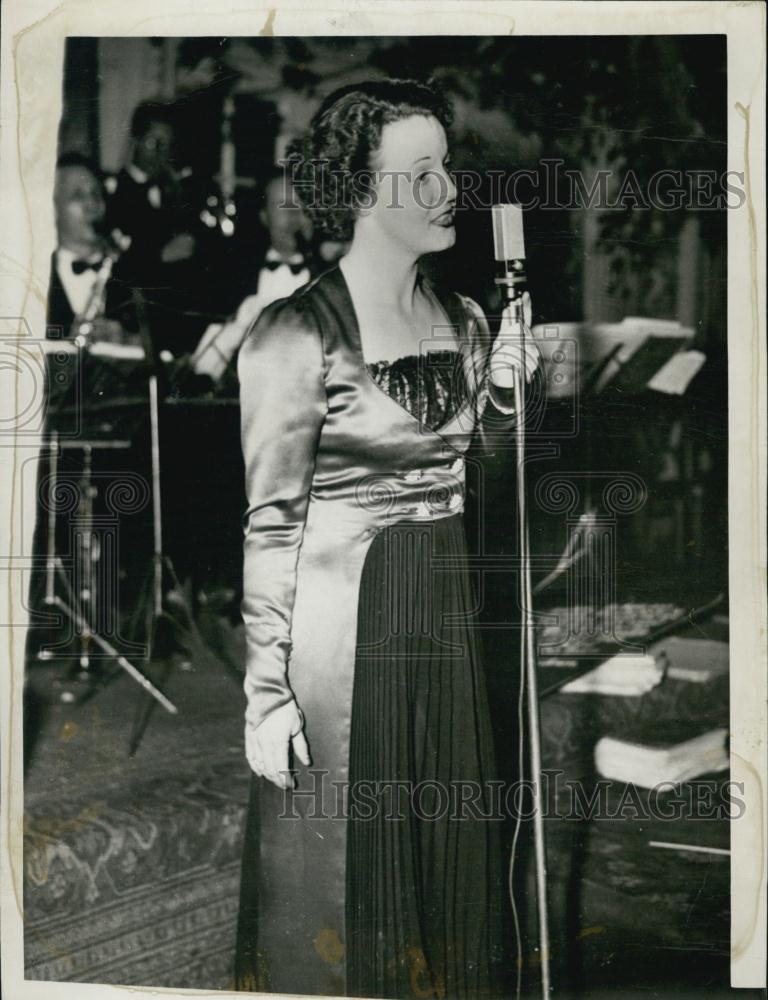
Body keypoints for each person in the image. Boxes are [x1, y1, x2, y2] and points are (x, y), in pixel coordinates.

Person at [234, 79, 539, 999]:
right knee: (347, 871)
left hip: (440, 604)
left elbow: (470, 470)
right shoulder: (293, 334)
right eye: (420, 173)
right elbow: (270, 518)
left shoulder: (470, 319)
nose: (448, 188)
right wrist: (264, 692)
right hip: (343, 624)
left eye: (446, 166)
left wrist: (501, 400)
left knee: (442, 843)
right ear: (362, 192)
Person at [190, 168, 315, 383]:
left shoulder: (335, 279)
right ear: (264, 216)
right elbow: (203, 369)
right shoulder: (232, 276)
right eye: (283, 205)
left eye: (302, 206)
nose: (294, 215)